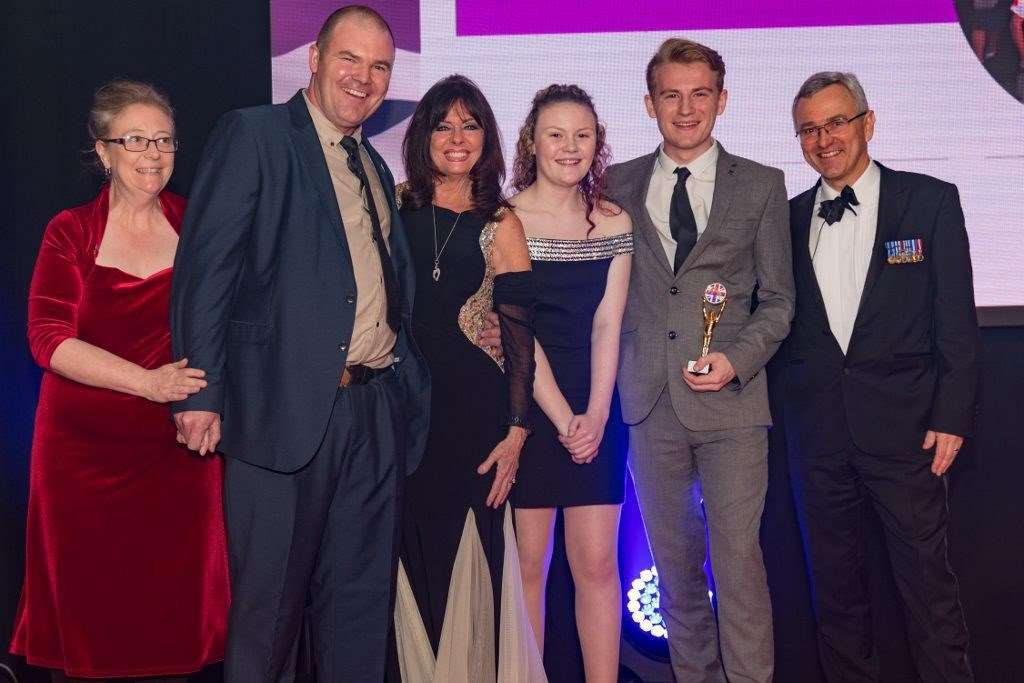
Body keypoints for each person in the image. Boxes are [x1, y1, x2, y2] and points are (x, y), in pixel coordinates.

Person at [169, 6, 430, 681]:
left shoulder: (372, 160)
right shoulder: (255, 135)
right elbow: (209, 269)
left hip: (371, 414)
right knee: (269, 619)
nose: (364, 78)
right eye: (351, 59)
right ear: (314, 57)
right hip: (280, 411)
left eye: (380, 67)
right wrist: (199, 391)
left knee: (359, 610)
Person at [11, 80, 229, 681]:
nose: (152, 154)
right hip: (82, 460)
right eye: (135, 140)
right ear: (104, 152)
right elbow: (47, 338)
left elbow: (231, 322)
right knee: (92, 626)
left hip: (179, 453)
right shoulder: (70, 231)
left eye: (164, 141)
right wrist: (148, 384)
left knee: (174, 623)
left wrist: (203, 401)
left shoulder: (197, 223)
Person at [604, 38, 794, 683]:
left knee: (739, 566)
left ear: (722, 100)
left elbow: (779, 303)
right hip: (649, 403)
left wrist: (736, 360)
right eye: (672, 95)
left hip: (734, 409)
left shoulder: (763, 186)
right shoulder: (616, 183)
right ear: (650, 103)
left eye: (700, 94)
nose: (686, 108)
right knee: (676, 569)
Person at [786, 71, 978, 683]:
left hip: (907, 435)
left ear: (869, 122)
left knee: (929, 596)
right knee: (836, 600)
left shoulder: (930, 201)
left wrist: (952, 416)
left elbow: (956, 321)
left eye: (837, 122)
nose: (825, 139)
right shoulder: (785, 220)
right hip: (817, 438)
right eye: (810, 130)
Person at [388, 74, 545, 683]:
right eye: (443, 124)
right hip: (401, 409)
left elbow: (519, 336)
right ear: (422, 135)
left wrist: (516, 429)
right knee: (408, 546)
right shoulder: (393, 204)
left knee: (471, 549)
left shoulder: (499, 220)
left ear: (488, 137)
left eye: (470, 124)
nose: (457, 138)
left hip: (476, 415)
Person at [507, 84, 632, 683]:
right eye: (556, 134)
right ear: (532, 141)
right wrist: (561, 418)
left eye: (583, 134)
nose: (570, 146)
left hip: (597, 409)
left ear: (598, 142)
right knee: (529, 565)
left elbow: (609, 323)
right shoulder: (503, 221)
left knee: (598, 565)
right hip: (529, 409)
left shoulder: (613, 221)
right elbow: (517, 332)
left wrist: (598, 416)